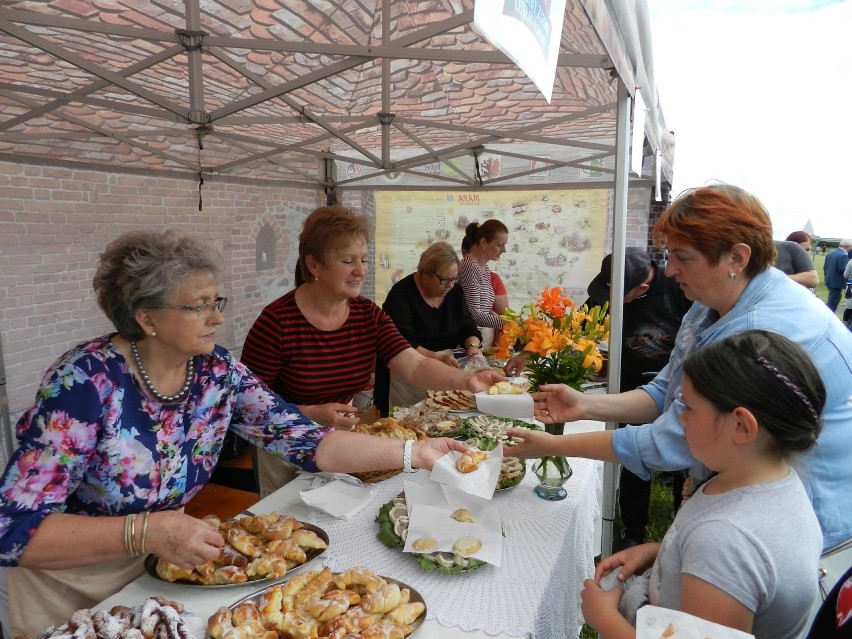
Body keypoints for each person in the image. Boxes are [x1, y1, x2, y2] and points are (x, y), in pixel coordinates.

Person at [0, 230, 469, 639]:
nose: (218, 318)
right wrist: (147, 531)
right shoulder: (84, 383)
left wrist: (415, 452)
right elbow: (13, 530)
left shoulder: (215, 371)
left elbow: (311, 442)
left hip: (167, 560)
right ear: (147, 318)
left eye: (215, 302)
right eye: (199, 306)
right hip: (75, 579)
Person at [507, 184, 852, 559]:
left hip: (795, 530)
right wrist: (586, 406)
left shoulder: (758, 332)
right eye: (669, 256)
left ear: (737, 257)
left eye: (682, 257)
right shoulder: (713, 302)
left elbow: (671, 440)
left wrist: (555, 445)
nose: (669, 271)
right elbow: (665, 392)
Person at [241, 205, 502, 496]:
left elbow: (413, 365)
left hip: (340, 438)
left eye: (364, 260)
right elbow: (249, 407)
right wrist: (313, 413)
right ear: (314, 265)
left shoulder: (367, 315)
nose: (361, 270)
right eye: (348, 260)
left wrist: (468, 381)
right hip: (282, 443)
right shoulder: (276, 323)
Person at [579, 330, 825, 638]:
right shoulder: (766, 477)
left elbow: (726, 558)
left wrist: (603, 618)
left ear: (741, 426)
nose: (680, 420)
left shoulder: (724, 542)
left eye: (689, 409)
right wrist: (664, 554)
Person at [585, 247, 692, 551]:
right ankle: (633, 529)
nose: (611, 302)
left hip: (675, 387)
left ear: (642, 287)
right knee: (635, 458)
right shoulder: (612, 285)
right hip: (631, 387)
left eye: (622, 296)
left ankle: (679, 523)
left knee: (680, 459)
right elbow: (580, 321)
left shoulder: (677, 290)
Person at [375, 241, 483, 415]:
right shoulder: (401, 296)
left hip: (444, 369)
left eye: (454, 279)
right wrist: (435, 357)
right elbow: (402, 342)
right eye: (444, 280)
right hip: (405, 374)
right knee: (408, 423)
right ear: (423, 273)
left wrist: (472, 347)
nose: (449, 285)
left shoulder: (454, 292)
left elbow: (468, 326)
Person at [458, 219, 509, 347]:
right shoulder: (469, 267)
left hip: (475, 339)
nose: (504, 250)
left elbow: (485, 310)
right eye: (499, 245)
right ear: (484, 242)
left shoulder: (484, 269)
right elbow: (474, 315)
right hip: (462, 341)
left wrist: (506, 320)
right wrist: (509, 322)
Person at [824, 239, 852, 312]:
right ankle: (828, 317)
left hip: (829, 279)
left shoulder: (831, 253)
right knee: (832, 303)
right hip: (837, 282)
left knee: (833, 299)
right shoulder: (843, 255)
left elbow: (825, 267)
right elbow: (842, 269)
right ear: (848, 246)